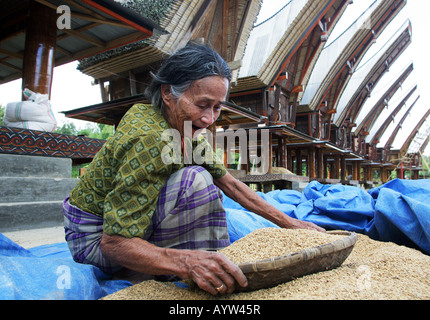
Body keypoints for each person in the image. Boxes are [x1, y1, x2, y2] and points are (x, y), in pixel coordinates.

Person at [63, 44, 324, 296]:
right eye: (202, 105)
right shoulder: (151, 139)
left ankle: (189, 264)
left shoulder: (184, 128)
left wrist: (293, 224)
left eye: (217, 107)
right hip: (95, 242)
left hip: (123, 232)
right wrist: (187, 263)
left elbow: (231, 184)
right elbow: (114, 242)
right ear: (168, 93)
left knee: (210, 187)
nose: (209, 119)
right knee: (194, 181)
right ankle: (139, 273)